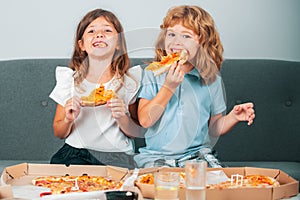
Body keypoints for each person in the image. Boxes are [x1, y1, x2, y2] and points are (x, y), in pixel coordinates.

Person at [134, 5, 255, 168]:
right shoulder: (152, 74)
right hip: (156, 157)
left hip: (197, 155)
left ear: (202, 43)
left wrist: (233, 117)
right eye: (171, 34)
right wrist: (169, 87)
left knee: (217, 187)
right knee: (160, 189)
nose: (176, 42)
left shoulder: (211, 79)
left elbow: (214, 128)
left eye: (186, 36)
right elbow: (145, 120)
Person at [49, 8, 143, 169]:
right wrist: (68, 119)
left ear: (119, 44)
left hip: (116, 154)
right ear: (81, 45)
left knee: (116, 192)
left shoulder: (128, 82)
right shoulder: (70, 81)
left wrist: (122, 117)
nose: (99, 34)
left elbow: (136, 132)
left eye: (107, 30)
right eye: (91, 31)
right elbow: (59, 132)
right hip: (76, 152)